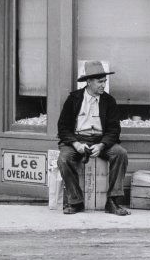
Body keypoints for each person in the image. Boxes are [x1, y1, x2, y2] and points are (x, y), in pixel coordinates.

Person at [56, 60, 130, 216]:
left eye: (104, 81)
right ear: (88, 82)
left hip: (100, 140)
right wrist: (75, 144)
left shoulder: (109, 101)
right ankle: (76, 202)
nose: (103, 85)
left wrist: (102, 145)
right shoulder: (74, 99)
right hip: (77, 139)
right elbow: (62, 127)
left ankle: (113, 202)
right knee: (64, 159)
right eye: (99, 82)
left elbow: (114, 130)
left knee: (120, 153)